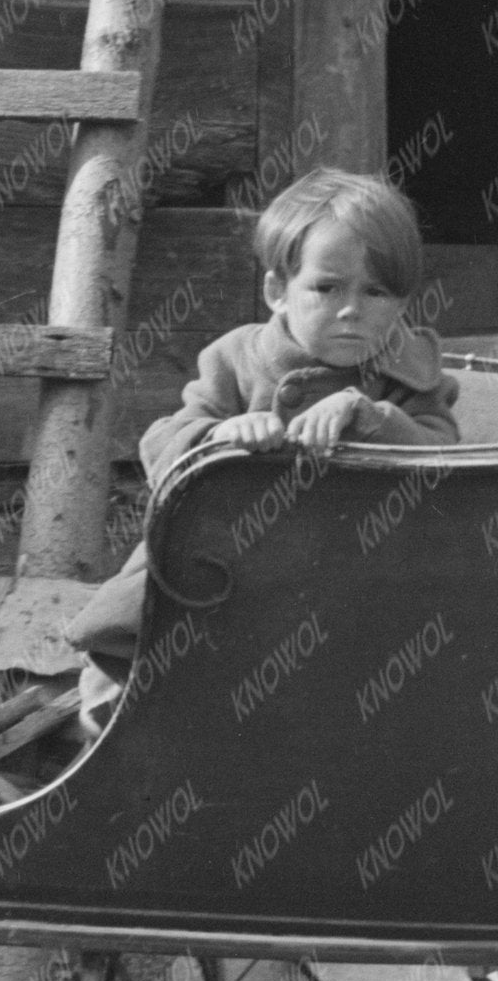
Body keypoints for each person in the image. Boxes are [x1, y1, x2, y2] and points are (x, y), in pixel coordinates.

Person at [54, 170, 456, 689]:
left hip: (354, 567)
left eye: (376, 293)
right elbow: (162, 444)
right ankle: (114, 712)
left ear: (401, 305)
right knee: (142, 647)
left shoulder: (410, 373)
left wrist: (373, 418)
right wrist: (220, 436)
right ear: (278, 291)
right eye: (326, 288)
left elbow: (445, 459)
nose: (352, 310)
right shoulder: (238, 358)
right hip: (227, 562)